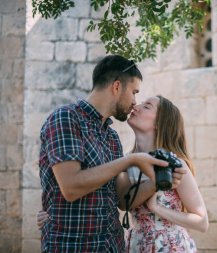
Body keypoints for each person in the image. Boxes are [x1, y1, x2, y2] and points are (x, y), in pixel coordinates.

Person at [38, 55, 185, 253]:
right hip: (71, 246)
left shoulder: (112, 137)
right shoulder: (66, 118)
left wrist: (156, 183)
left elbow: (123, 200)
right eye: (134, 92)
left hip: (112, 247)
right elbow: (70, 187)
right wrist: (130, 160)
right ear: (116, 87)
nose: (135, 102)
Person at [116, 95, 209, 252]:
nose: (136, 107)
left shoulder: (174, 165)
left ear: (159, 123)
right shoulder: (127, 162)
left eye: (146, 106)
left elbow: (202, 222)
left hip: (170, 247)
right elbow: (123, 204)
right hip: (137, 246)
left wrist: (157, 208)